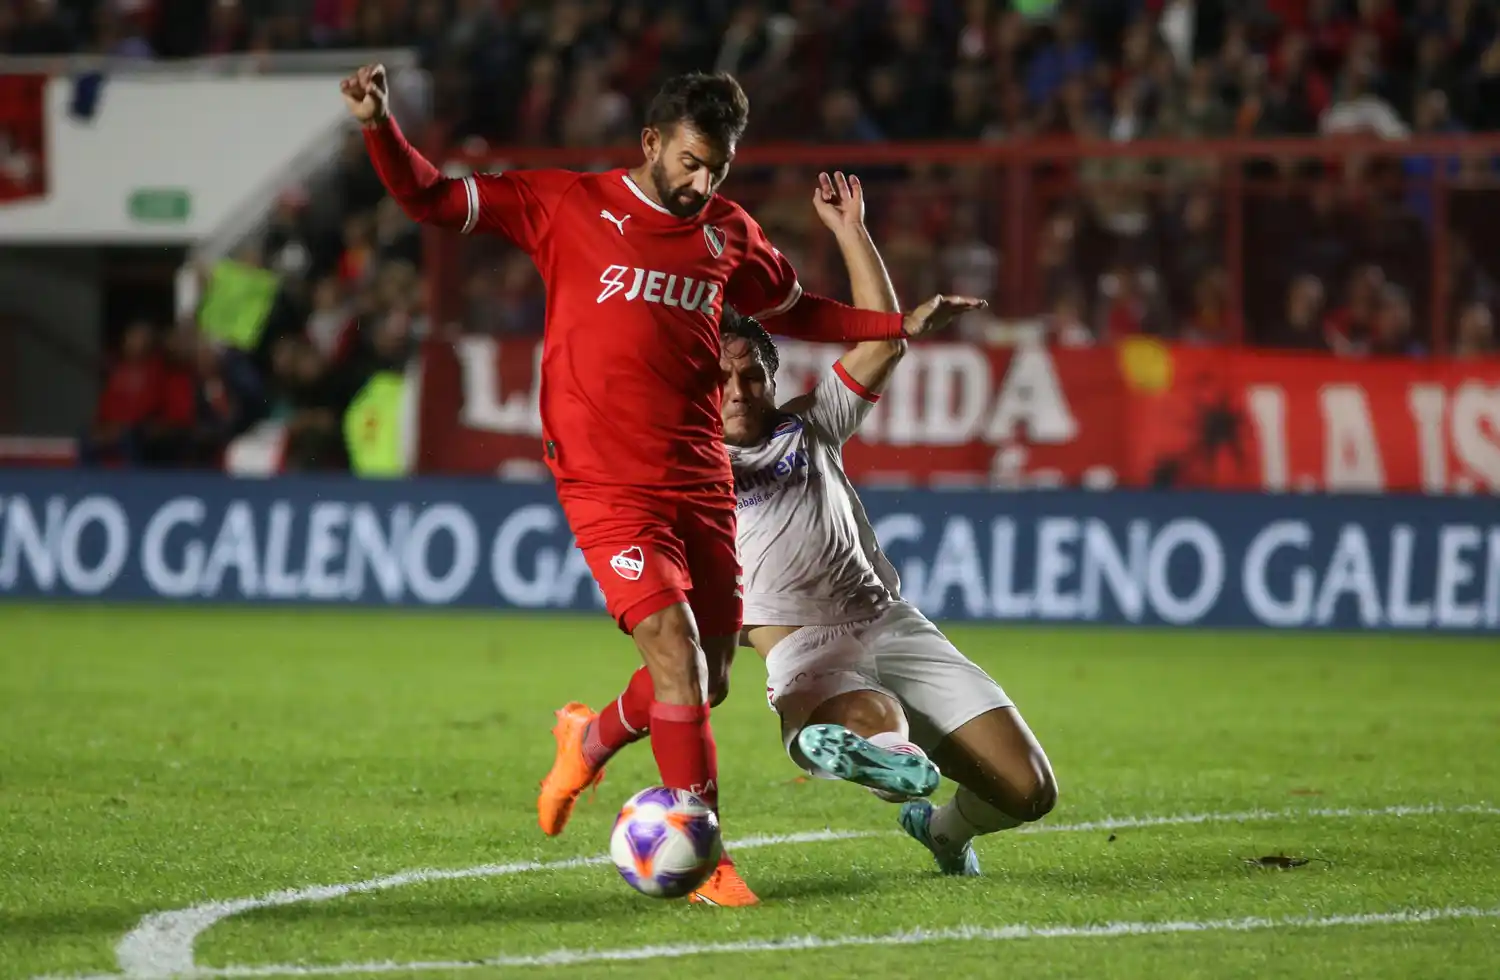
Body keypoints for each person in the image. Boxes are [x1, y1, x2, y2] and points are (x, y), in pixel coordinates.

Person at [341, 65, 980, 906]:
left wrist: (893, 325)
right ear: (651, 143)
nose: (701, 181)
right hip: (607, 482)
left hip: (700, 478)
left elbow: (797, 312)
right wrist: (380, 125)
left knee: (706, 679)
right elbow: (427, 199)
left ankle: (590, 736)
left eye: (717, 167)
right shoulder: (565, 204)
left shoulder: (727, 231)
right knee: (677, 663)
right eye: (689, 161)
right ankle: (708, 858)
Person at [723, 172, 1058, 875]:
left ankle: (940, 828)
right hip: (805, 654)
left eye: (751, 375)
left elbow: (883, 343)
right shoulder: (689, 467)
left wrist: (850, 231)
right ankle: (889, 760)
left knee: (1029, 791)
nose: (736, 390)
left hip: (893, 623)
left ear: (772, 379)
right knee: (875, 718)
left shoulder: (810, 426)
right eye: (719, 378)